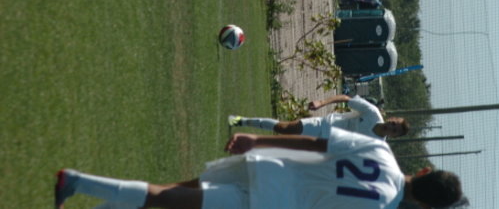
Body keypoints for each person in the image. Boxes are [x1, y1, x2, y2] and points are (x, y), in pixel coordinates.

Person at [55, 128, 465, 208]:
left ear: (424, 171)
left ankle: (98, 198)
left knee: (174, 192)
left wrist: (258, 140)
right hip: (267, 201)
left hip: (267, 167)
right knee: (167, 199)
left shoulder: (380, 150)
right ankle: (76, 182)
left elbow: (315, 143)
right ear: (425, 206)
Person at [229, 94, 408, 141]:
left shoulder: (376, 145)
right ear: (392, 118)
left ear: (393, 136)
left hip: (327, 147)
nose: (391, 126)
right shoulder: (373, 113)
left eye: (395, 130)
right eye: (394, 123)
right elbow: (346, 99)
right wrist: (322, 102)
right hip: (323, 126)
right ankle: (240, 121)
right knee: (284, 129)